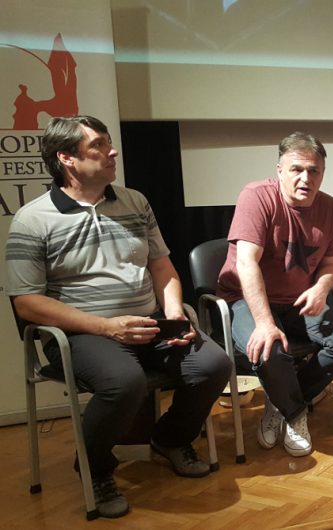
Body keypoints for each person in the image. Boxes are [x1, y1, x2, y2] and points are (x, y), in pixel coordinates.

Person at [5, 116, 231, 518]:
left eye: (109, 142)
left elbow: (162, 267)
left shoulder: (134, 202)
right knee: (125, 382)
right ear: (66, 158)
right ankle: (95, 467)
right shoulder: (33, 219)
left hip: (147, 320)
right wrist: (106, 327)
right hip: (81, 333)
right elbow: (27, 303)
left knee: (213, 364)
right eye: (98, 145)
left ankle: (169, 438)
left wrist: (174, 315)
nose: (112, 151)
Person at [217, 132, 333, 457]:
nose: (305, 179)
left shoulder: (329, 207)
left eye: (314, 171)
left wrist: (321, 288)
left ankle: (282, 397)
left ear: (322, 174)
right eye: (296, 169)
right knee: (268, 349)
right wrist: (264, 322)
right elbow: (246, 263)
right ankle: (295, 413)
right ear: (280, 170)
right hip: (246, 299)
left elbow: (330, 265)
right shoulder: (257, 196)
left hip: (299, 301)